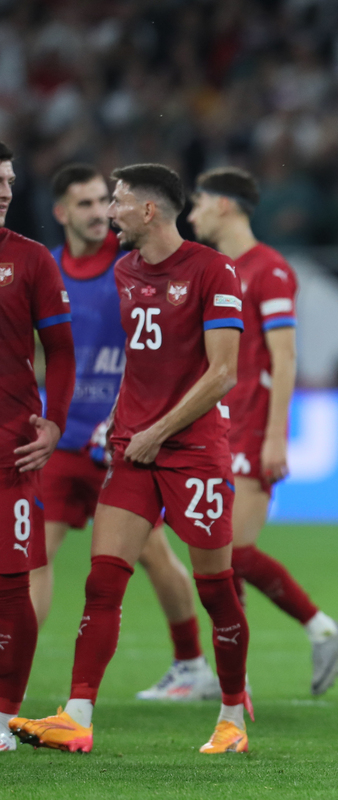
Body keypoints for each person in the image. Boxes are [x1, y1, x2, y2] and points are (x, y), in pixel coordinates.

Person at [12, 163, 252, 755]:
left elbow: (223, 373)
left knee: (216, 587)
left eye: (117, 202)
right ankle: (77, 714)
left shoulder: (212, 270)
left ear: (149, 211)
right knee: (103, 580)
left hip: (194, 453)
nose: (109, 213)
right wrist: (123, 419)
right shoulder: (124, 270)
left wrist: (160, 430)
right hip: (133, 452)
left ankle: (231, 717)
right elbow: (144, 365)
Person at [189, 167, 338, 697]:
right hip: (215, 427)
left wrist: (277, 435)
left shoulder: (270, 270)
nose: (191, 214)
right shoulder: (215, 270)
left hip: (253, 428)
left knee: (234, 551)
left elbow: (285, 358)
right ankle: (229, 675)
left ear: (224, 205)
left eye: (198, 203)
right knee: (217, 558)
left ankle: (321, 628)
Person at [0, 141, 75, 754]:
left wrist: (54, 422)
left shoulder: (31, 261)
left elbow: (63, 352)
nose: (3, 191)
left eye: (8, 180)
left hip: (10, 452)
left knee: (12, 588)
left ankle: (2, 714)